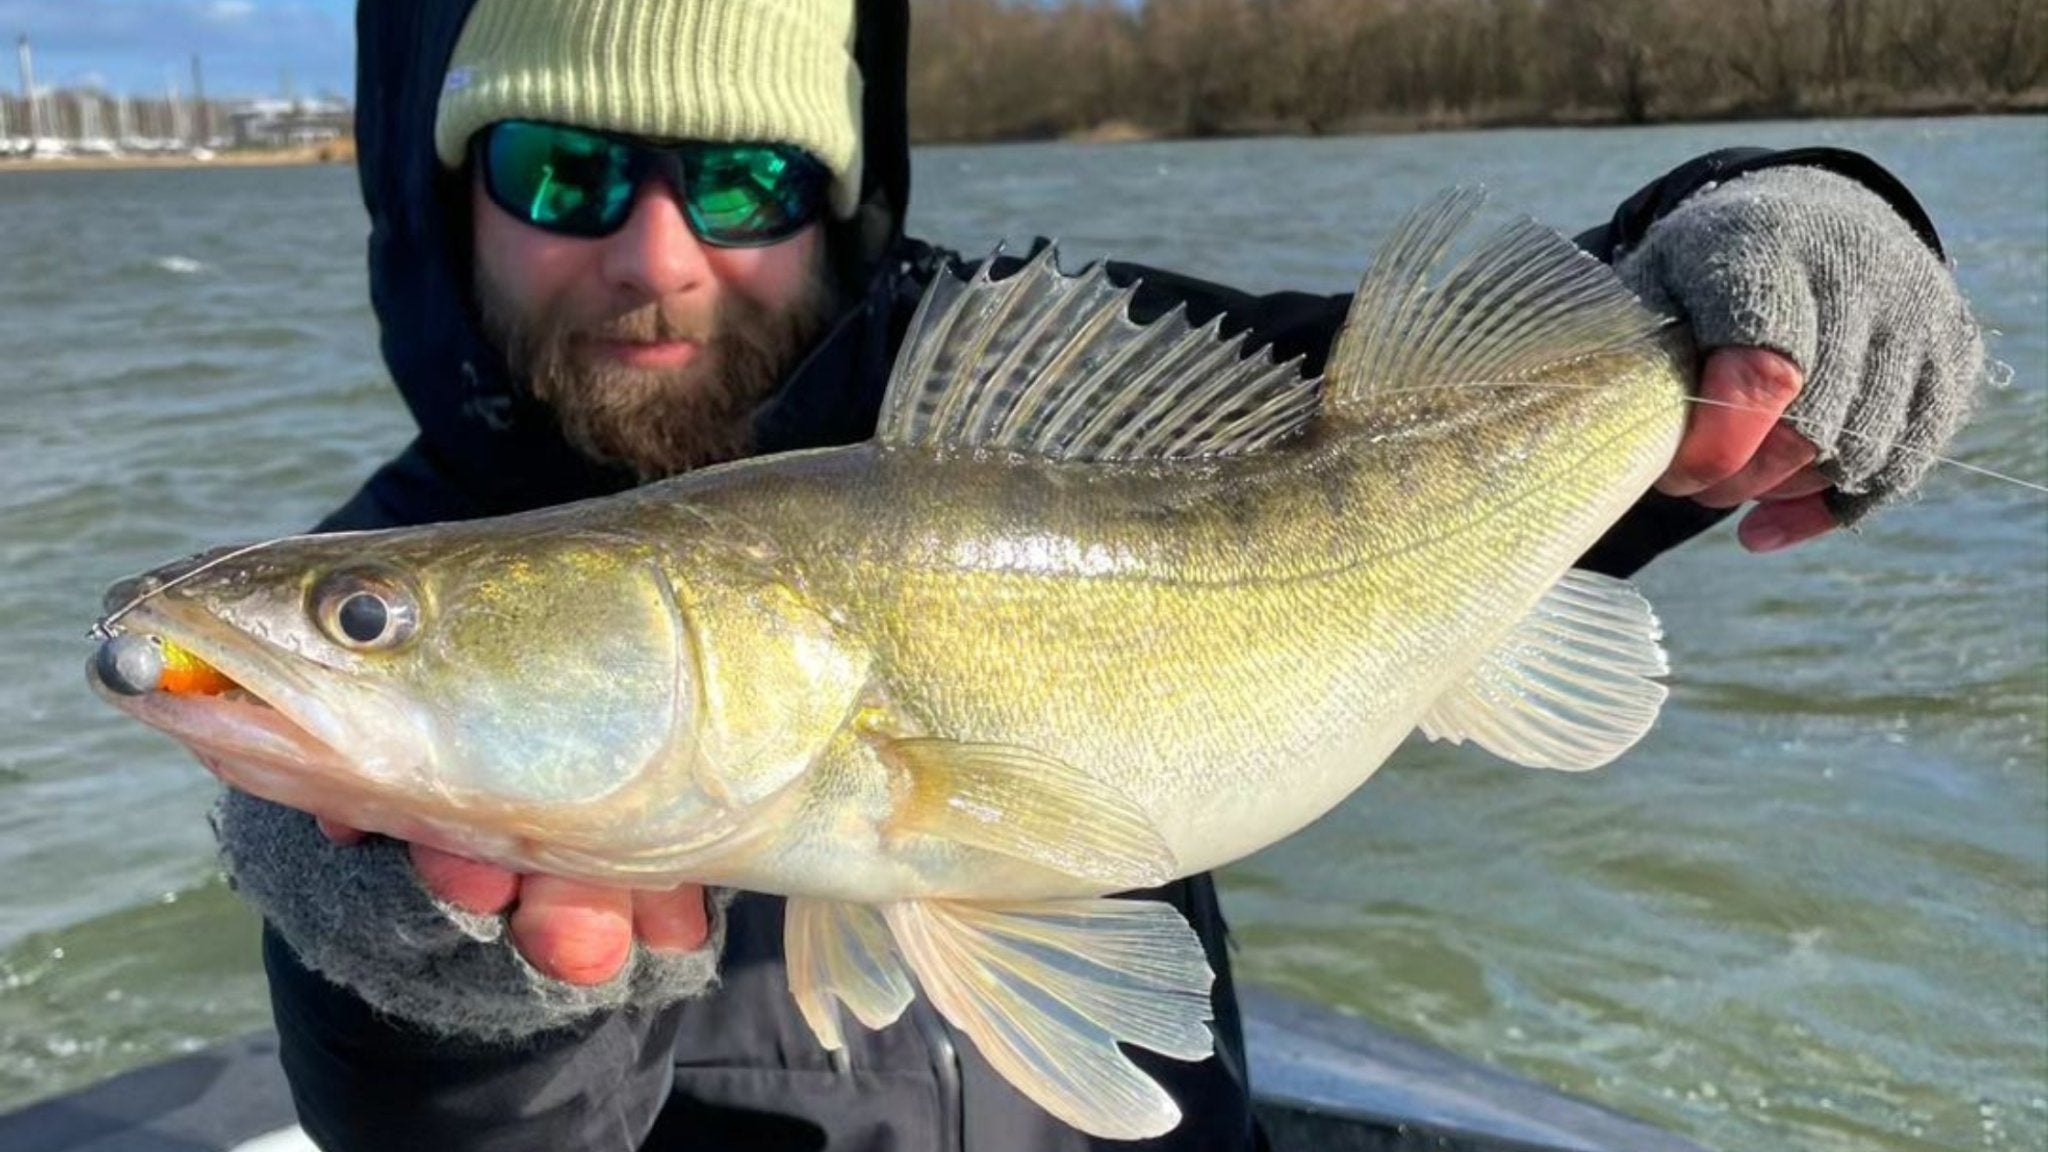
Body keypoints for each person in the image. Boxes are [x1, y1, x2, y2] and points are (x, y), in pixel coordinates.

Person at [212, 1, 1985, 1149]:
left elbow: (1521, 382)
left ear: (838, 198)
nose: (656, 254)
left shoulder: (1044, 370)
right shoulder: (419, 548)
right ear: (449, 201)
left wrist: (1780, 224)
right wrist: (420, 993)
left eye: (746, 178)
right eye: (566, 169)